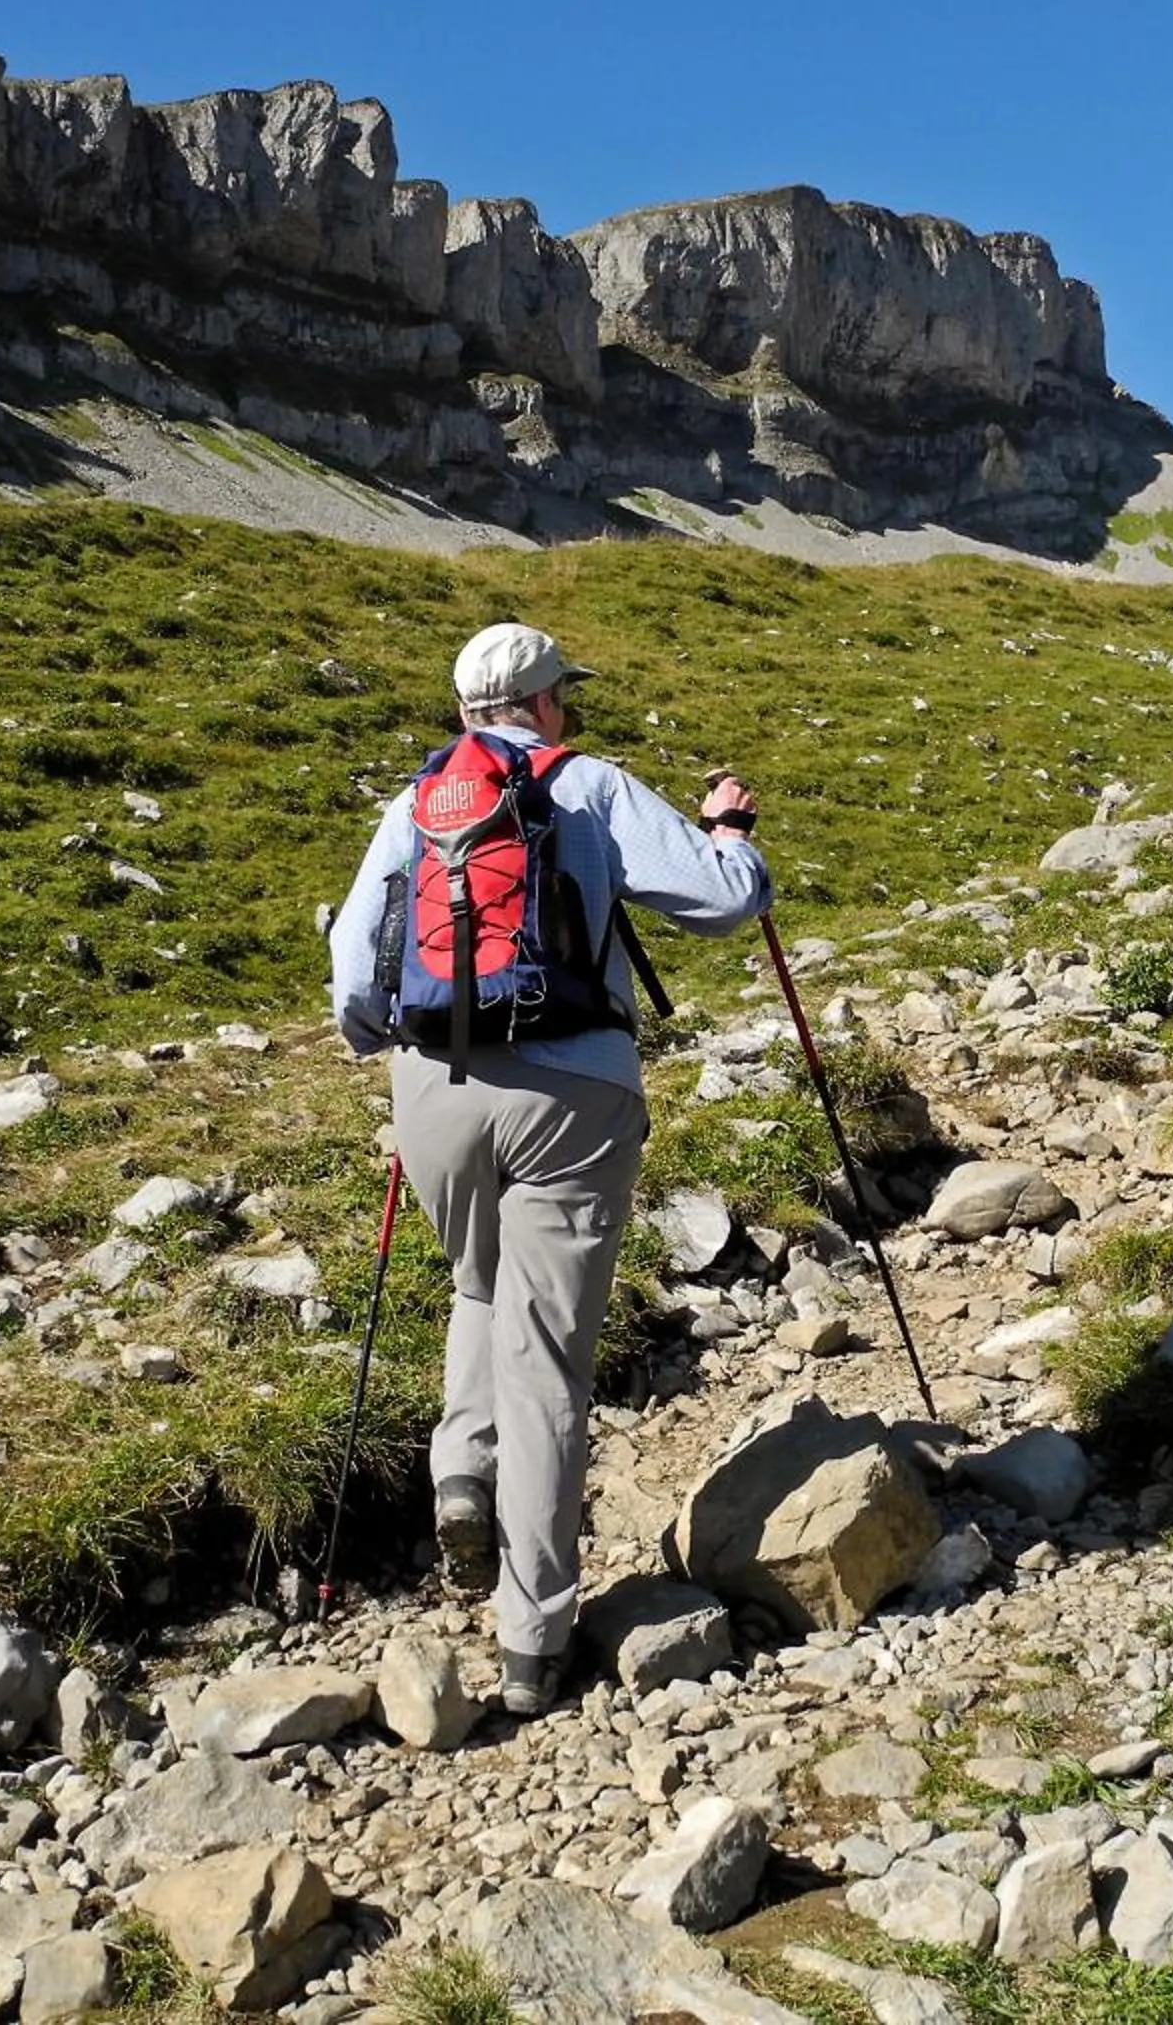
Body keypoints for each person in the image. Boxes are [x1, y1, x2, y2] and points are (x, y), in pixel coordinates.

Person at [327, 621, 771, 1716]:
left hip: (435, 1091)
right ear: (542, 704)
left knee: (478, 1284)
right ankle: (534, 1639)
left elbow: (352, 979)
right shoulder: (592, 787)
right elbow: (722, 901)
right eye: (561, 693)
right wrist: (733, 830)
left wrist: (397, 1057)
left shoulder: (416, 804)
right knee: (547, 1363)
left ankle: (461, 1472)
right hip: (575, 1091)